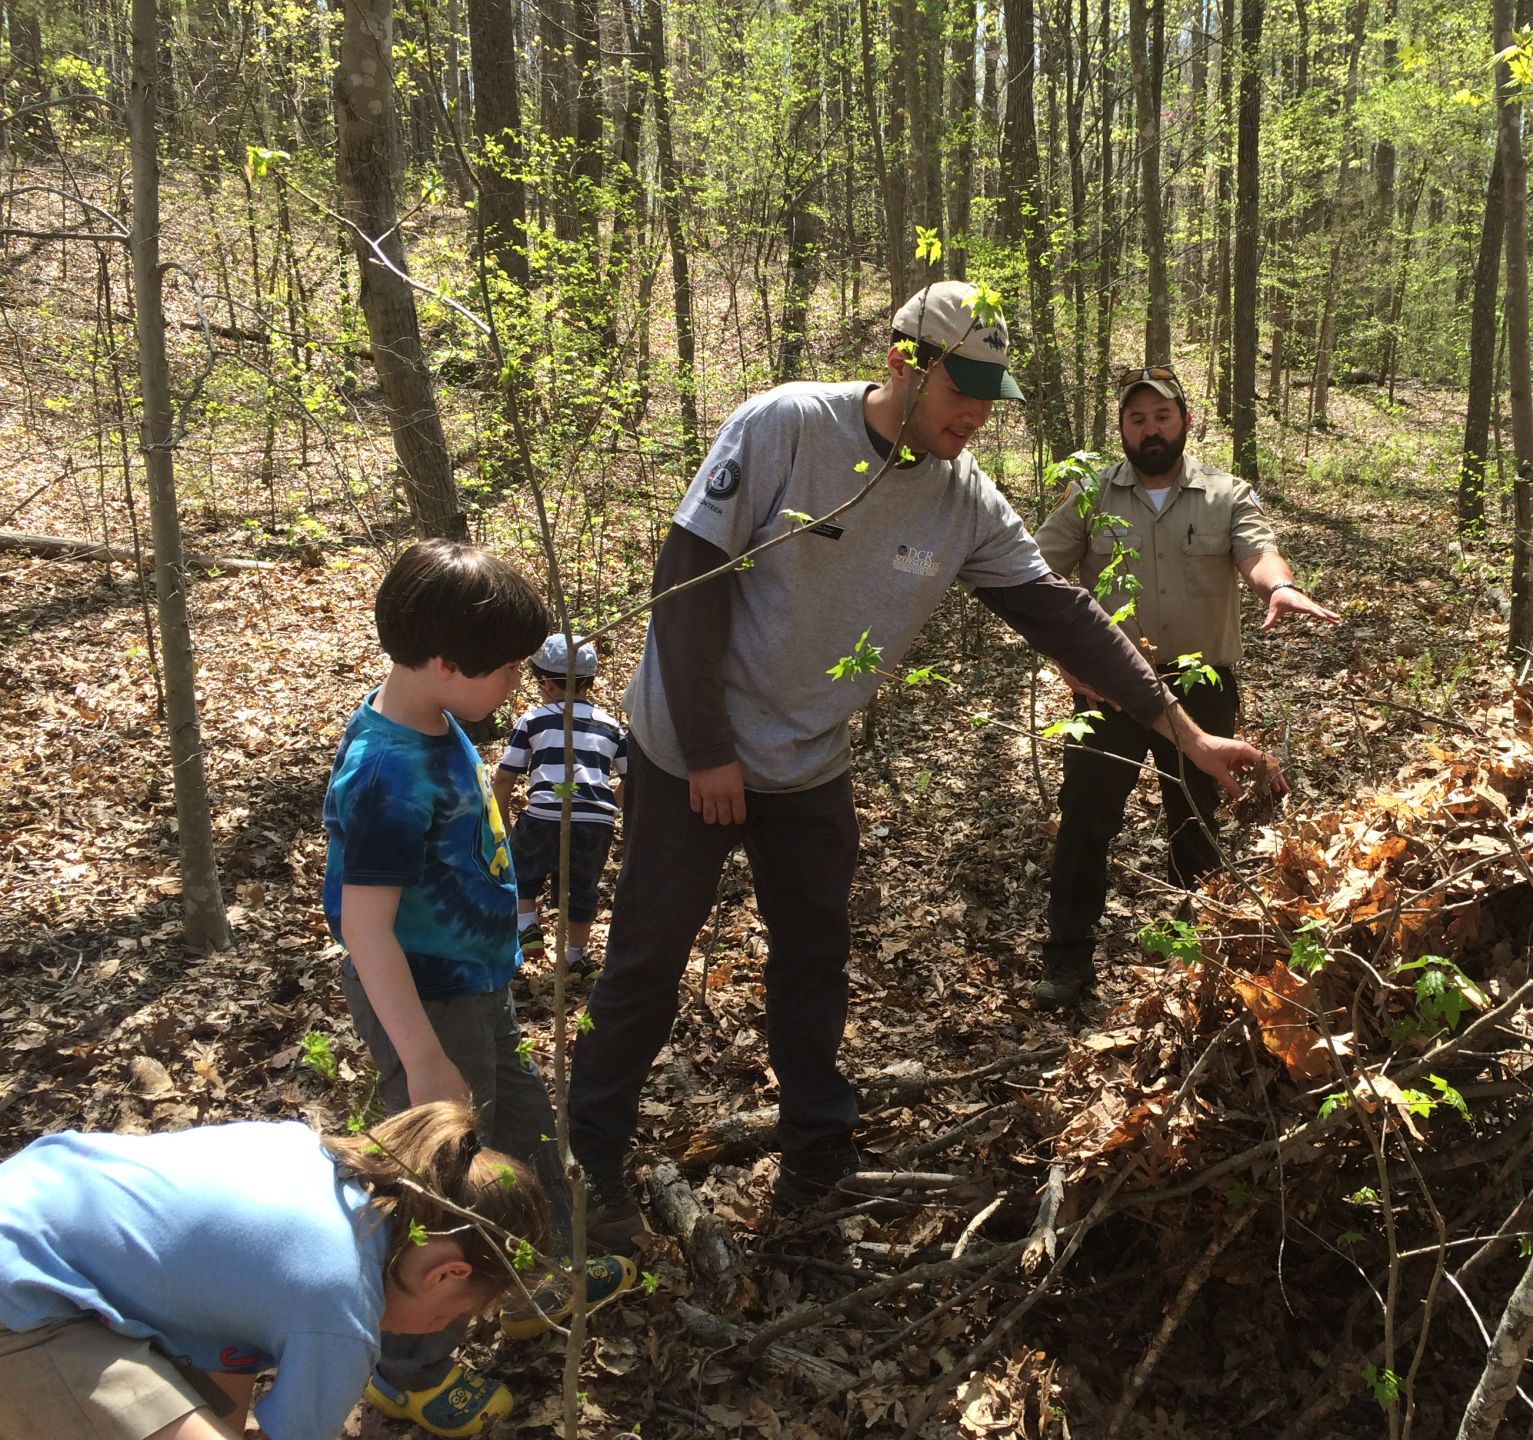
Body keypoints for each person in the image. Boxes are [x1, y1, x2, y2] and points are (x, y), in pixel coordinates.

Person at [570, 281, 1276, 1233]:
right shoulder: (783, 425)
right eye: (962, 391)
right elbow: (688, 576)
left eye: (992, 397)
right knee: (649, 957)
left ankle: (817, 1151)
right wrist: (707, 752)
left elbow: (1061, 615)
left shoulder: (962, 499)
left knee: (815, 955)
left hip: (809, 760)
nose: (976, 415)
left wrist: (1187, 734)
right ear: (906, 361)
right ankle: (595, 1156)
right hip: (686, 747)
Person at [322, 540, 635, 1437]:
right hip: (428, 1007)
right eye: (503, 669)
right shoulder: (385, 773)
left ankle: (536, 1284)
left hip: (477, 989)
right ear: (446, 662)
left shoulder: (436, 720)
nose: (514, 684)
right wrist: (422, 1059)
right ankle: (409, 1367)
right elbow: (364, 925)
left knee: (529, 1136)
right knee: (443, 1184)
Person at [1031, 364, 1340, 1007]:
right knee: (1086, 819)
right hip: (1108, 684)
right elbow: (1033, 575)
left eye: (1161, 417)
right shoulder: (1088, 495)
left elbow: (1258, 552)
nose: (1149, 430)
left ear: (1185, 423)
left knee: (1195, 821)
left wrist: (1279, 586)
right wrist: (1065, 657)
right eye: (1136, 418)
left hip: (1202, 684)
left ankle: (1189, 958)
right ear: (1120, 428)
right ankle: (1067, 962)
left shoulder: (1227, 494)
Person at [0, 1102, 550, 1440]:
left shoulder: (309, 1156)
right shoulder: (341, 1309)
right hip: (25, 1299)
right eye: (454, 1316)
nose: (438, 1330)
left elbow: (226, 1366)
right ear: (445, 1275)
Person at [493, 633, 630, 975]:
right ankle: (575, 956)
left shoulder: (534, 720)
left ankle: (527, 925)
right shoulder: (610, 725)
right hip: (594, 824)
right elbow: (634, 778)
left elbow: (505, 777)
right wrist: (607, 805)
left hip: (542, 815)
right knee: (582, 890)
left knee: (522, 873)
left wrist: (505, 823)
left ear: (549, 684)